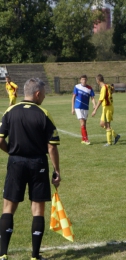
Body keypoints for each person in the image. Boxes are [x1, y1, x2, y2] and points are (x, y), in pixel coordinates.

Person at [0, 78, 61, 260]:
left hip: (16, 163)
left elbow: (0, 140)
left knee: (8, 207)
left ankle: (2, 254)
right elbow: (51, 146)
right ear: (37, 94)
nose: (44, 97)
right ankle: (35, 256)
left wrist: (12, 151)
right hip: (38, 164)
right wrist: (56, 171)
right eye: (43, 93)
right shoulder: (44, 113)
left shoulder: (10, 111)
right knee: (37, 209)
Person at [92, 74, 120, 146]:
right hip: (106, 107)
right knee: (102, 124)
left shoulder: (104, 88)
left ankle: (109, 142)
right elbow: (113, 89)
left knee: (107, 125)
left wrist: (95, 110)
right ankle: (116, 135)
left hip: (107, 108)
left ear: (98, 81)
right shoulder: (108, 85)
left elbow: (100, 100)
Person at [72, 74, 96, 145]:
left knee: (84, 124)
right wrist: (72, 108)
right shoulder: (77, 87)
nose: (84, 80)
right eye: (82, 79)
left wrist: (94, 104)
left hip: (86, 108)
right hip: (78, 107)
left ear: (87, 80)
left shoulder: (89, 88)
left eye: (85, 79)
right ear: (80, 80)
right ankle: (86, 139)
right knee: (82, 122)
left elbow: (92, 98)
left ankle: (83, 139)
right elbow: (73, 97)